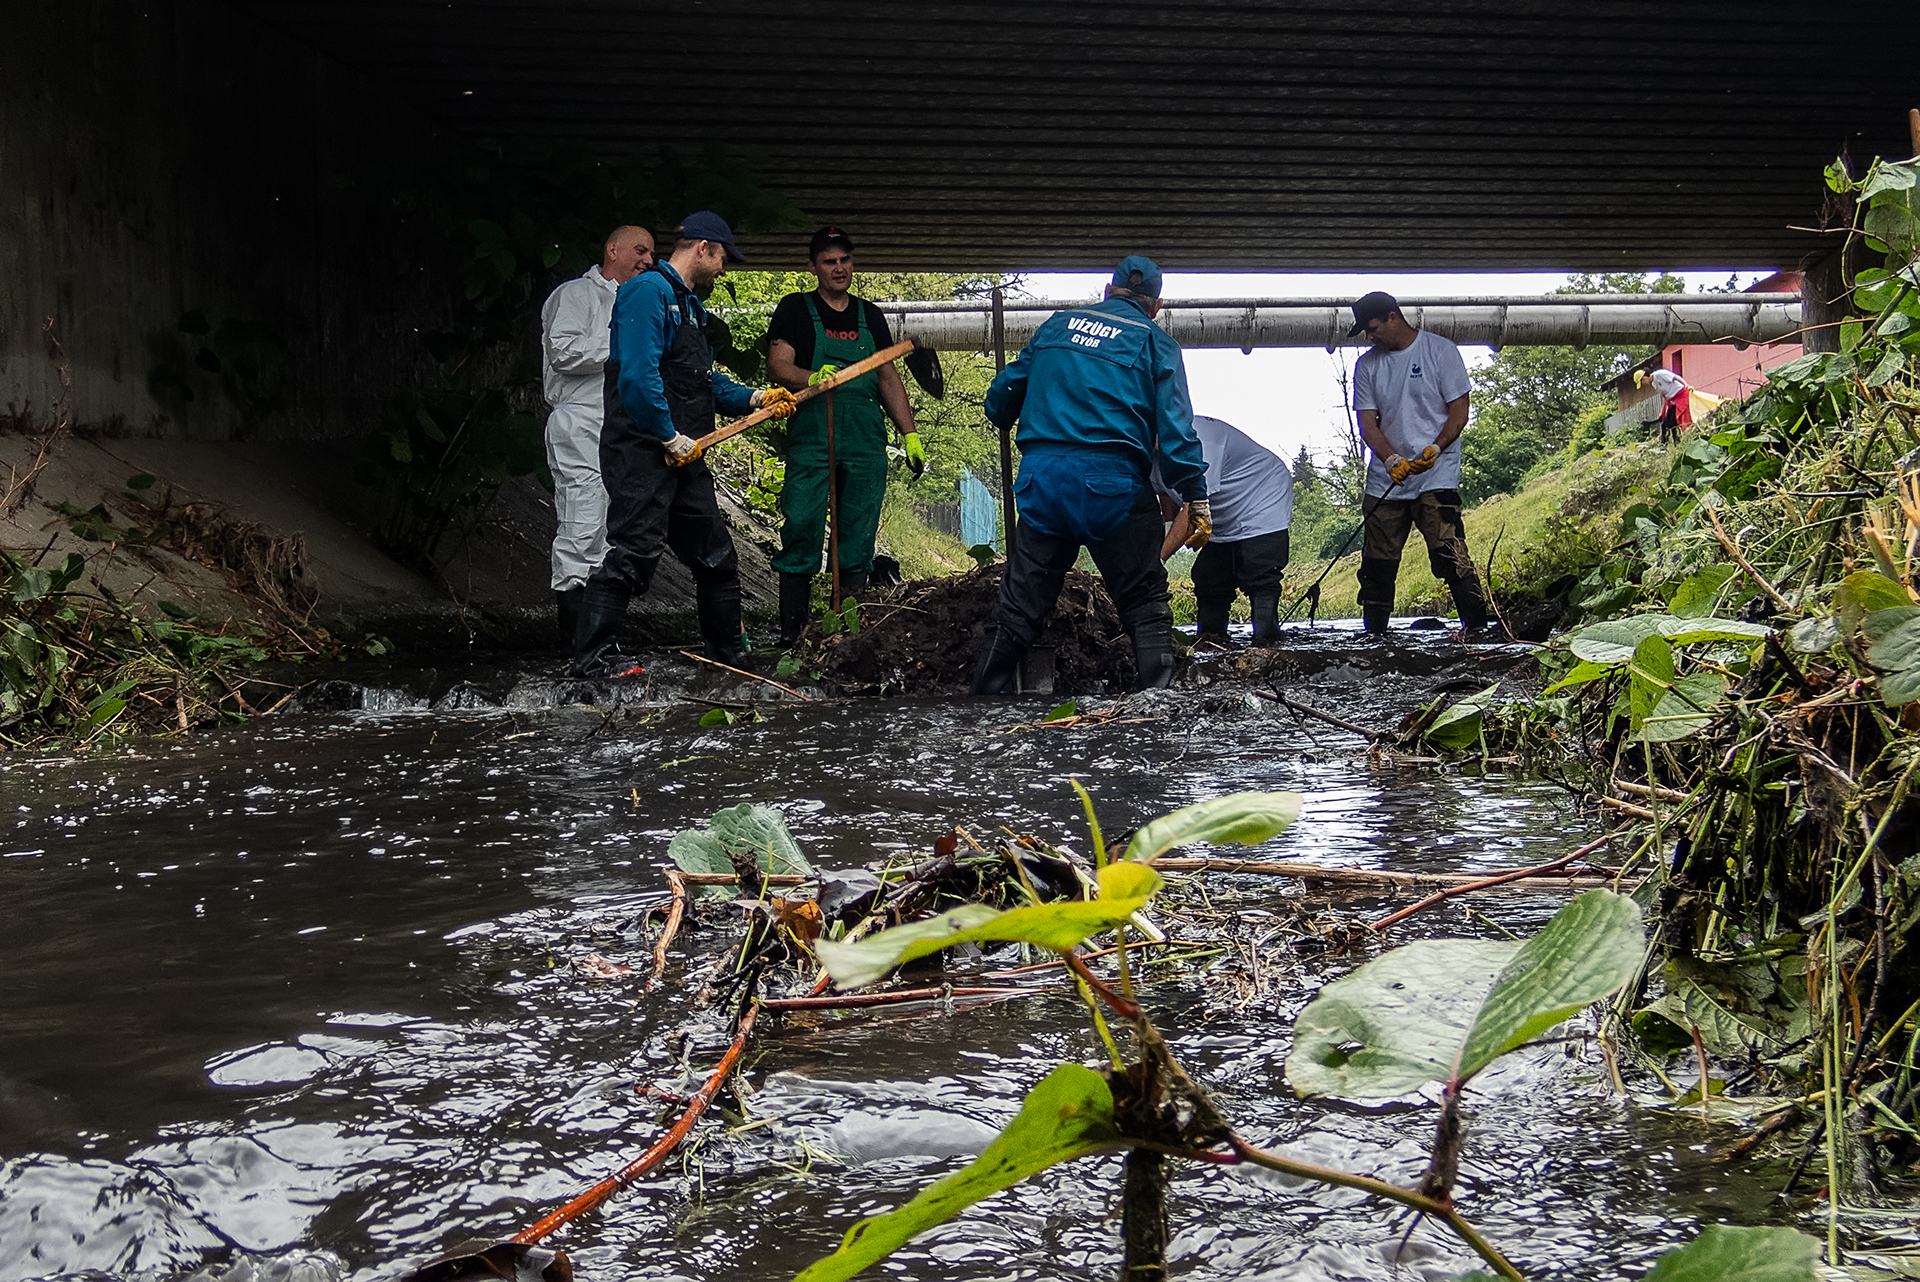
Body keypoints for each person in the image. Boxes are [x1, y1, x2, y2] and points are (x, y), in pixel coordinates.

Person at [571, 211, 798, 678]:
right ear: (702, 248)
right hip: (642, 452)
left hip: (686, 456)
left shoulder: (690, 306)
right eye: (722, 258)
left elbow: (701, 381)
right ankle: (592, 662)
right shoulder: (647, 292)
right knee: (633, 552)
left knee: (716, 558)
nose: (723, 269)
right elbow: (637, 376)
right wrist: (668, 436)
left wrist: (756, 397)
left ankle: (731, 659)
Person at [971, 256, 1210, 695]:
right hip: (1112, 487)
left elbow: (1002, 396)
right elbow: (1177, 433)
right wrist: (1196, 495)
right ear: (1156, 305)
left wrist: (1002, 411)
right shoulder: (1155, 341)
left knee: (1019, 608)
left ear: (1106, 291)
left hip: (1043, 485)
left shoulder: (1055, 327)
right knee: (1145, 604)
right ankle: (1157, 707)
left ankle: (977, 705)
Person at [765, 226, 924, 647]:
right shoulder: (795, 309)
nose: (839, 268)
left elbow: (888, 376)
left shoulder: (869, 316)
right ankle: (792, 634)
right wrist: (811, 376)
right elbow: (779, 366)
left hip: (864, 438)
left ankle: (847, 633)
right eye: (829, 261)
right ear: (813, 266)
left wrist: (909, 435)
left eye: (845, 260)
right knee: (801, 523)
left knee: (857, 533)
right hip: (814, 433)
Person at [1348, 290, 1492, 637]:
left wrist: (1436, 448)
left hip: (1436, 473)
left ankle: (1477, 629)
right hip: (1387, 478)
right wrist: (1391, 458)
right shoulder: (1367, 366)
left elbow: (1459, 413)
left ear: (1393, 318)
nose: (1369, 337)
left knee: (1449, 550)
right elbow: (1368, 424)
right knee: (1377, 563)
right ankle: (1374, 637)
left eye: (1372, 328)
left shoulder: (1440, 351)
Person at [539, 225, 656, 646]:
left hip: (621, 429)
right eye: (639, 250)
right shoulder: (575, 295)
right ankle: (576, 649)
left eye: (652, 254)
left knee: (612, 534)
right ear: (612, 249)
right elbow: (564, 351)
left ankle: (599, 644)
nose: (648, 260)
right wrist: (626, 347)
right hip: (580, 421)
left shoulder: (639, 301)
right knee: (581, 525)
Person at [1183, 416, 1293, 648]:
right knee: (1210, 577)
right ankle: (1209, 642)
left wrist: (1157, 561)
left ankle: (1266, 643)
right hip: (1221, 508)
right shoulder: (1144, 452)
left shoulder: (1203, 443)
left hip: (1263, 493)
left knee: (1259, 569)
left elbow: (1189, 510)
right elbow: (1168, 504)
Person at [1636, 364, 1693, 443]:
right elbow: (1665, 396)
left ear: (1644, 378)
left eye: (1642, 382)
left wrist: (1686, 385)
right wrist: (1663, 411)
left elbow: (1676, 377)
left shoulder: (1660, 374)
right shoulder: (1653, 384)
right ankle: (1667, 443)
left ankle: (1677, 441)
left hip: (1681, 396)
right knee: (1665, 424)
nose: (1643, 384)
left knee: (1674, 421)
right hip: (1672, 401)